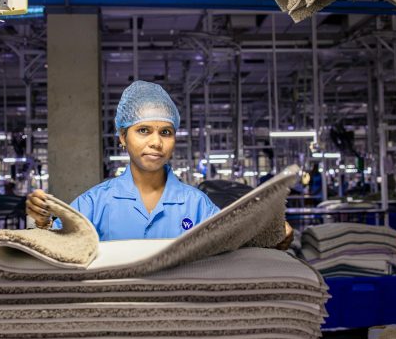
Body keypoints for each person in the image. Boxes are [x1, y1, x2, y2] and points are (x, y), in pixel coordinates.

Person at [27, 80, 293, 247]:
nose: (156, 142)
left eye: (165, 132)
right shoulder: (95, 203)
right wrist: (42, 222)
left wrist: (275, 237)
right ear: (122, 136)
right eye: (143, 130)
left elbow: (235, 243)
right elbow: (58, 248)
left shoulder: (196, 204)